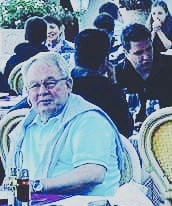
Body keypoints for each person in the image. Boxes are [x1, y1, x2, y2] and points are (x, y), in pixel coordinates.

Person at [8, 51, 125, 196]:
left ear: (68, 84)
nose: (42, 91)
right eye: (34, 86)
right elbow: (13, 178)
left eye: (50, 83)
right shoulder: (27, 125)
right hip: (40, 205)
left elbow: (93, 173)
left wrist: (37, 185)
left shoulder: (89, 120)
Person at [115, 23, 172, 121]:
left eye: (149, 49)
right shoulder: (118, 75)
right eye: (139, 53)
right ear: (126, 53)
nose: (146, 56)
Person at [71, 29, 133, 137]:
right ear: (105, 60)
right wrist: (114, 84)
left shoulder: (63, 86)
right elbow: (126, 130)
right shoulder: (108, 91)